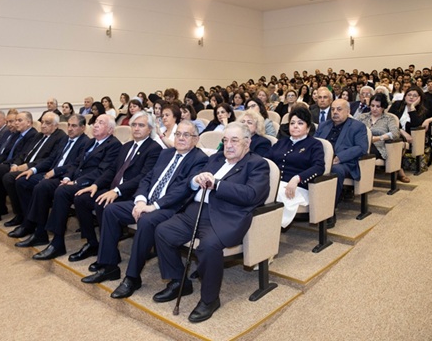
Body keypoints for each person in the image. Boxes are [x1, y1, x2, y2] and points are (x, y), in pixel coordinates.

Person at [153, 122, 270, 323]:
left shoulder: (257, 164)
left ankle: (209, 299)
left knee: (208, 246)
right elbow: (192, 180)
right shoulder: (215, 158)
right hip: (194, 211)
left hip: (224, 217)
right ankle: (179, 282)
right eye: (225, 140)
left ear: (247, 142)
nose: (229, 145)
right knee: (163, 231)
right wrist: (196, 179)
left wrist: (218, 184)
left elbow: (252, 195)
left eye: (234, 140)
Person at [80, 121, 208, 300]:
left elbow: (183, 189)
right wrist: (140, 200)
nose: (180, 138)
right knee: (111, 210)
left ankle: (132, 278)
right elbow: (147, 178)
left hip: (171, 208)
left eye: (186, 135)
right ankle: (109, 266)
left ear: (196, 139)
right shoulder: (166, 153)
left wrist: (153, 206)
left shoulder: (199, 159)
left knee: (146, 220)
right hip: (147, 202)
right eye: (178, 134)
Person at [31, 112, 162, 261]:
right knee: (81, 199)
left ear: (150, 129)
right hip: (111, 188)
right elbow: (112, 170)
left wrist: (116, 191)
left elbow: (143, 177)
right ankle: (92, 242)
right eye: (134, 125)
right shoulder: (127, 146)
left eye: (141, 125)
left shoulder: (154, 148)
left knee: (101, 204)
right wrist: (95, 185)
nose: (136, 128)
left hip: (131, 193)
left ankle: (109, 253)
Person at [15, 115, 121, 250]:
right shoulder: (91, 142)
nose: (95, 125)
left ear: (110, 130)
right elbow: (75, 163)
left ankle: (57, 241)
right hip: (73, 179)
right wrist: (67, 178)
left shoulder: (114, 145)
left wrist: (77, 182)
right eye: (95, 122)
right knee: (43, 186)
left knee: (62, 191)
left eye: (101, 123)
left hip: (90, 183)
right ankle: (39, 232)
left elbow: (102, 171)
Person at [0, 112, 65, 225]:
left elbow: (50, 159)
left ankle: (20, 214)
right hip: (24, 165)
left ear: (56, 125)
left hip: (38, 169)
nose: (43, 125)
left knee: (9, 177)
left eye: (47, 123)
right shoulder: (39, 135)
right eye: (42, 122)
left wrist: (28, 166)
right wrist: (15, 165)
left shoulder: (60, 137)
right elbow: (24, 153)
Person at [7, 114, 91, 239]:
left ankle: (40, 232)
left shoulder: (86, 142)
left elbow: (76, 165)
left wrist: (55, 171)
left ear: (83, 127)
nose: (69, 129)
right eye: (68, 125)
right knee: (22, 181)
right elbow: (51, 158)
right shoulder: (65, 139)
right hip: (50, 173)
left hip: (64, 177)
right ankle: (28, 222)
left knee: (42, 187)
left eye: (74, 126)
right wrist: (33, 170)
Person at [314, 99, 368, 227]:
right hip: (322, 159)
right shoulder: (323, 125)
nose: (335, 112)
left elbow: (361, 148)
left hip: (344, 163)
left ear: (348, 111)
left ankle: (329, 211)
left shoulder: (357, 126)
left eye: (339, 109)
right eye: (333, 109)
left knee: (335, 171)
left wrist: (339, 157)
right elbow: (314, 143)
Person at [268, 106, 325, 227]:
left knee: (269, 193)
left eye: (300, 123)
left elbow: (319, 167)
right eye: (292, 123)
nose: (295, 126)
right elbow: (267, 161)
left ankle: (269, 228)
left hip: (298, 188)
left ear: (308, 128)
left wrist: (298, 178)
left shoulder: (314, 144)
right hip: (277, 184)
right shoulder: (282, 142)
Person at [389, 86, 432, 178]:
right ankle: (396, 168)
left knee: (396, 142)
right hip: (397, 133)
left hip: (414, 138)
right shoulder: (397, 105)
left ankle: (397, 169)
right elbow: (389, 120)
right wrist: (401, 131)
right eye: (409, 95)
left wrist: (413, 108)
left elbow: (416, 125)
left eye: (415, 96)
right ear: (405, 96)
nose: (411, 97)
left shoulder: (424, 107)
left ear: (420, 98)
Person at [356, 93, 400, 161]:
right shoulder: (362, 117)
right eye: (372, 106)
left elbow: (395, 133)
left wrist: (379, 138)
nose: (374, 109)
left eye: (378, 106)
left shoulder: (389, 118)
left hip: (377, 147)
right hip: (360, 144)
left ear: (383, 107)